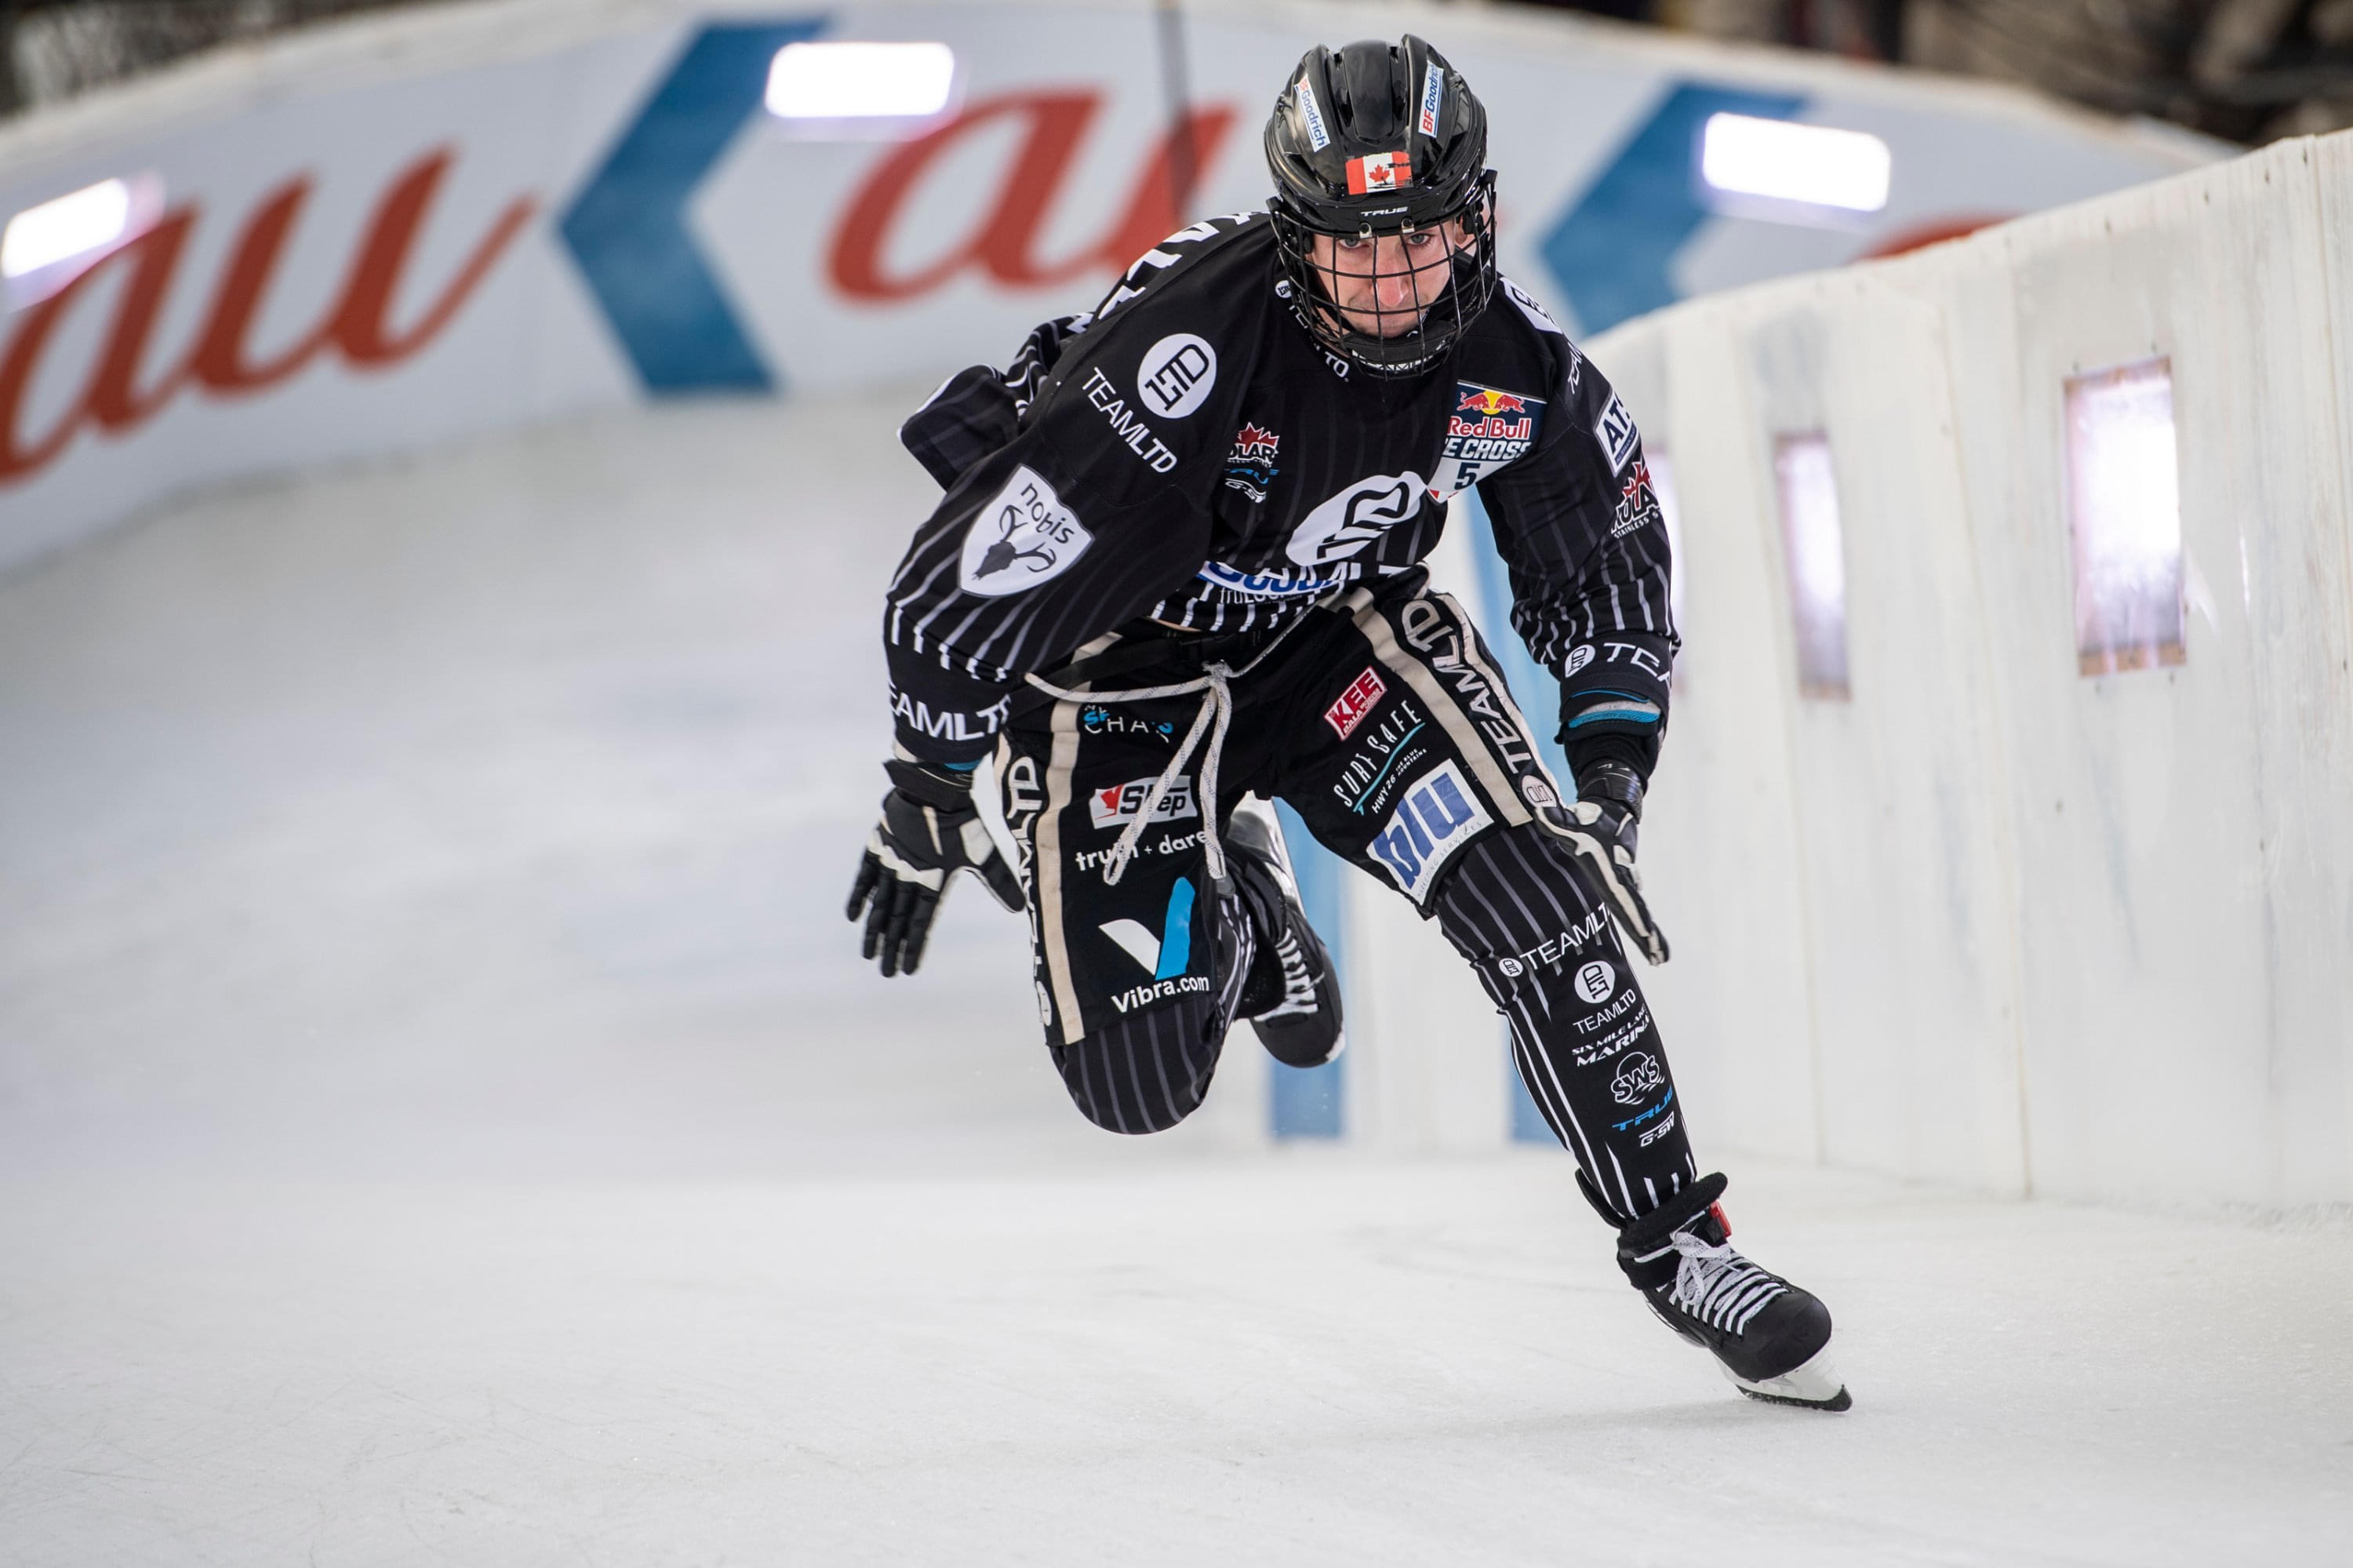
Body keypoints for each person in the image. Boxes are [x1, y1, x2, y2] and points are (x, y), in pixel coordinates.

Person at [846, 35, 1849, 1411]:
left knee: (1539, 891)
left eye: (1419, 241)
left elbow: (1607, 572)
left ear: (1479, 219)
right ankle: (1247, 914)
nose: (1389, 286)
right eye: (1352, 250)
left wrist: (1607, 787)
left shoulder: (1524, 376)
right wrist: (928, 785)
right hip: (1115, 675)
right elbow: (973, 576)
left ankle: (1680, 1239)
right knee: (1135, 1084)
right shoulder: (1187, 345)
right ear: (1292, 236)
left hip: (1337, 649)